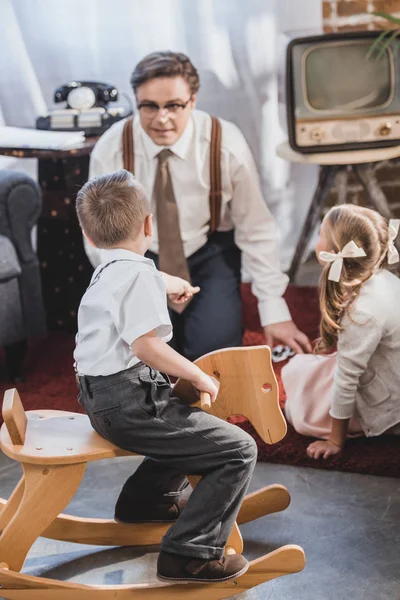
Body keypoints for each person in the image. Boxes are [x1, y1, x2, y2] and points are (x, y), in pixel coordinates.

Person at [74, 169, 258, 583]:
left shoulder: (107, 270)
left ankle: (147, 501)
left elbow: (141, 277)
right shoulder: (136, 275)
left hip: (97, 398)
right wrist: (201, 376)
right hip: (128, 402)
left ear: (89, 236)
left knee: (180, 411)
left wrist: (169, 281)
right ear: (148, 225)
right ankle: (190, 553)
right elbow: (146, 347)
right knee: (238, 450)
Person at [84, 51, 311, 360]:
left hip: (209, 252)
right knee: (143, 362)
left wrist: (274, 310)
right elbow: (98, 239)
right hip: (138, 259)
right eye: (149, 106)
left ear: (193, 100)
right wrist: (144, 281)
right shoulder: (112, 147)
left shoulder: (224, 142)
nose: (162, 118)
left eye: (174, 105)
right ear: (136, 102)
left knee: (212, 359)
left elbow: (255, 227)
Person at [282, 205, 400, 459]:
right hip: (385, 372)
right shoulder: (383, 279)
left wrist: (335, 441)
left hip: (387, 405)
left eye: (320, 234)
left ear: (333, 252)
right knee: (296, 370)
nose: (317, 240)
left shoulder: (363, 314)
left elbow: (347, 381)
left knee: (296, 413)